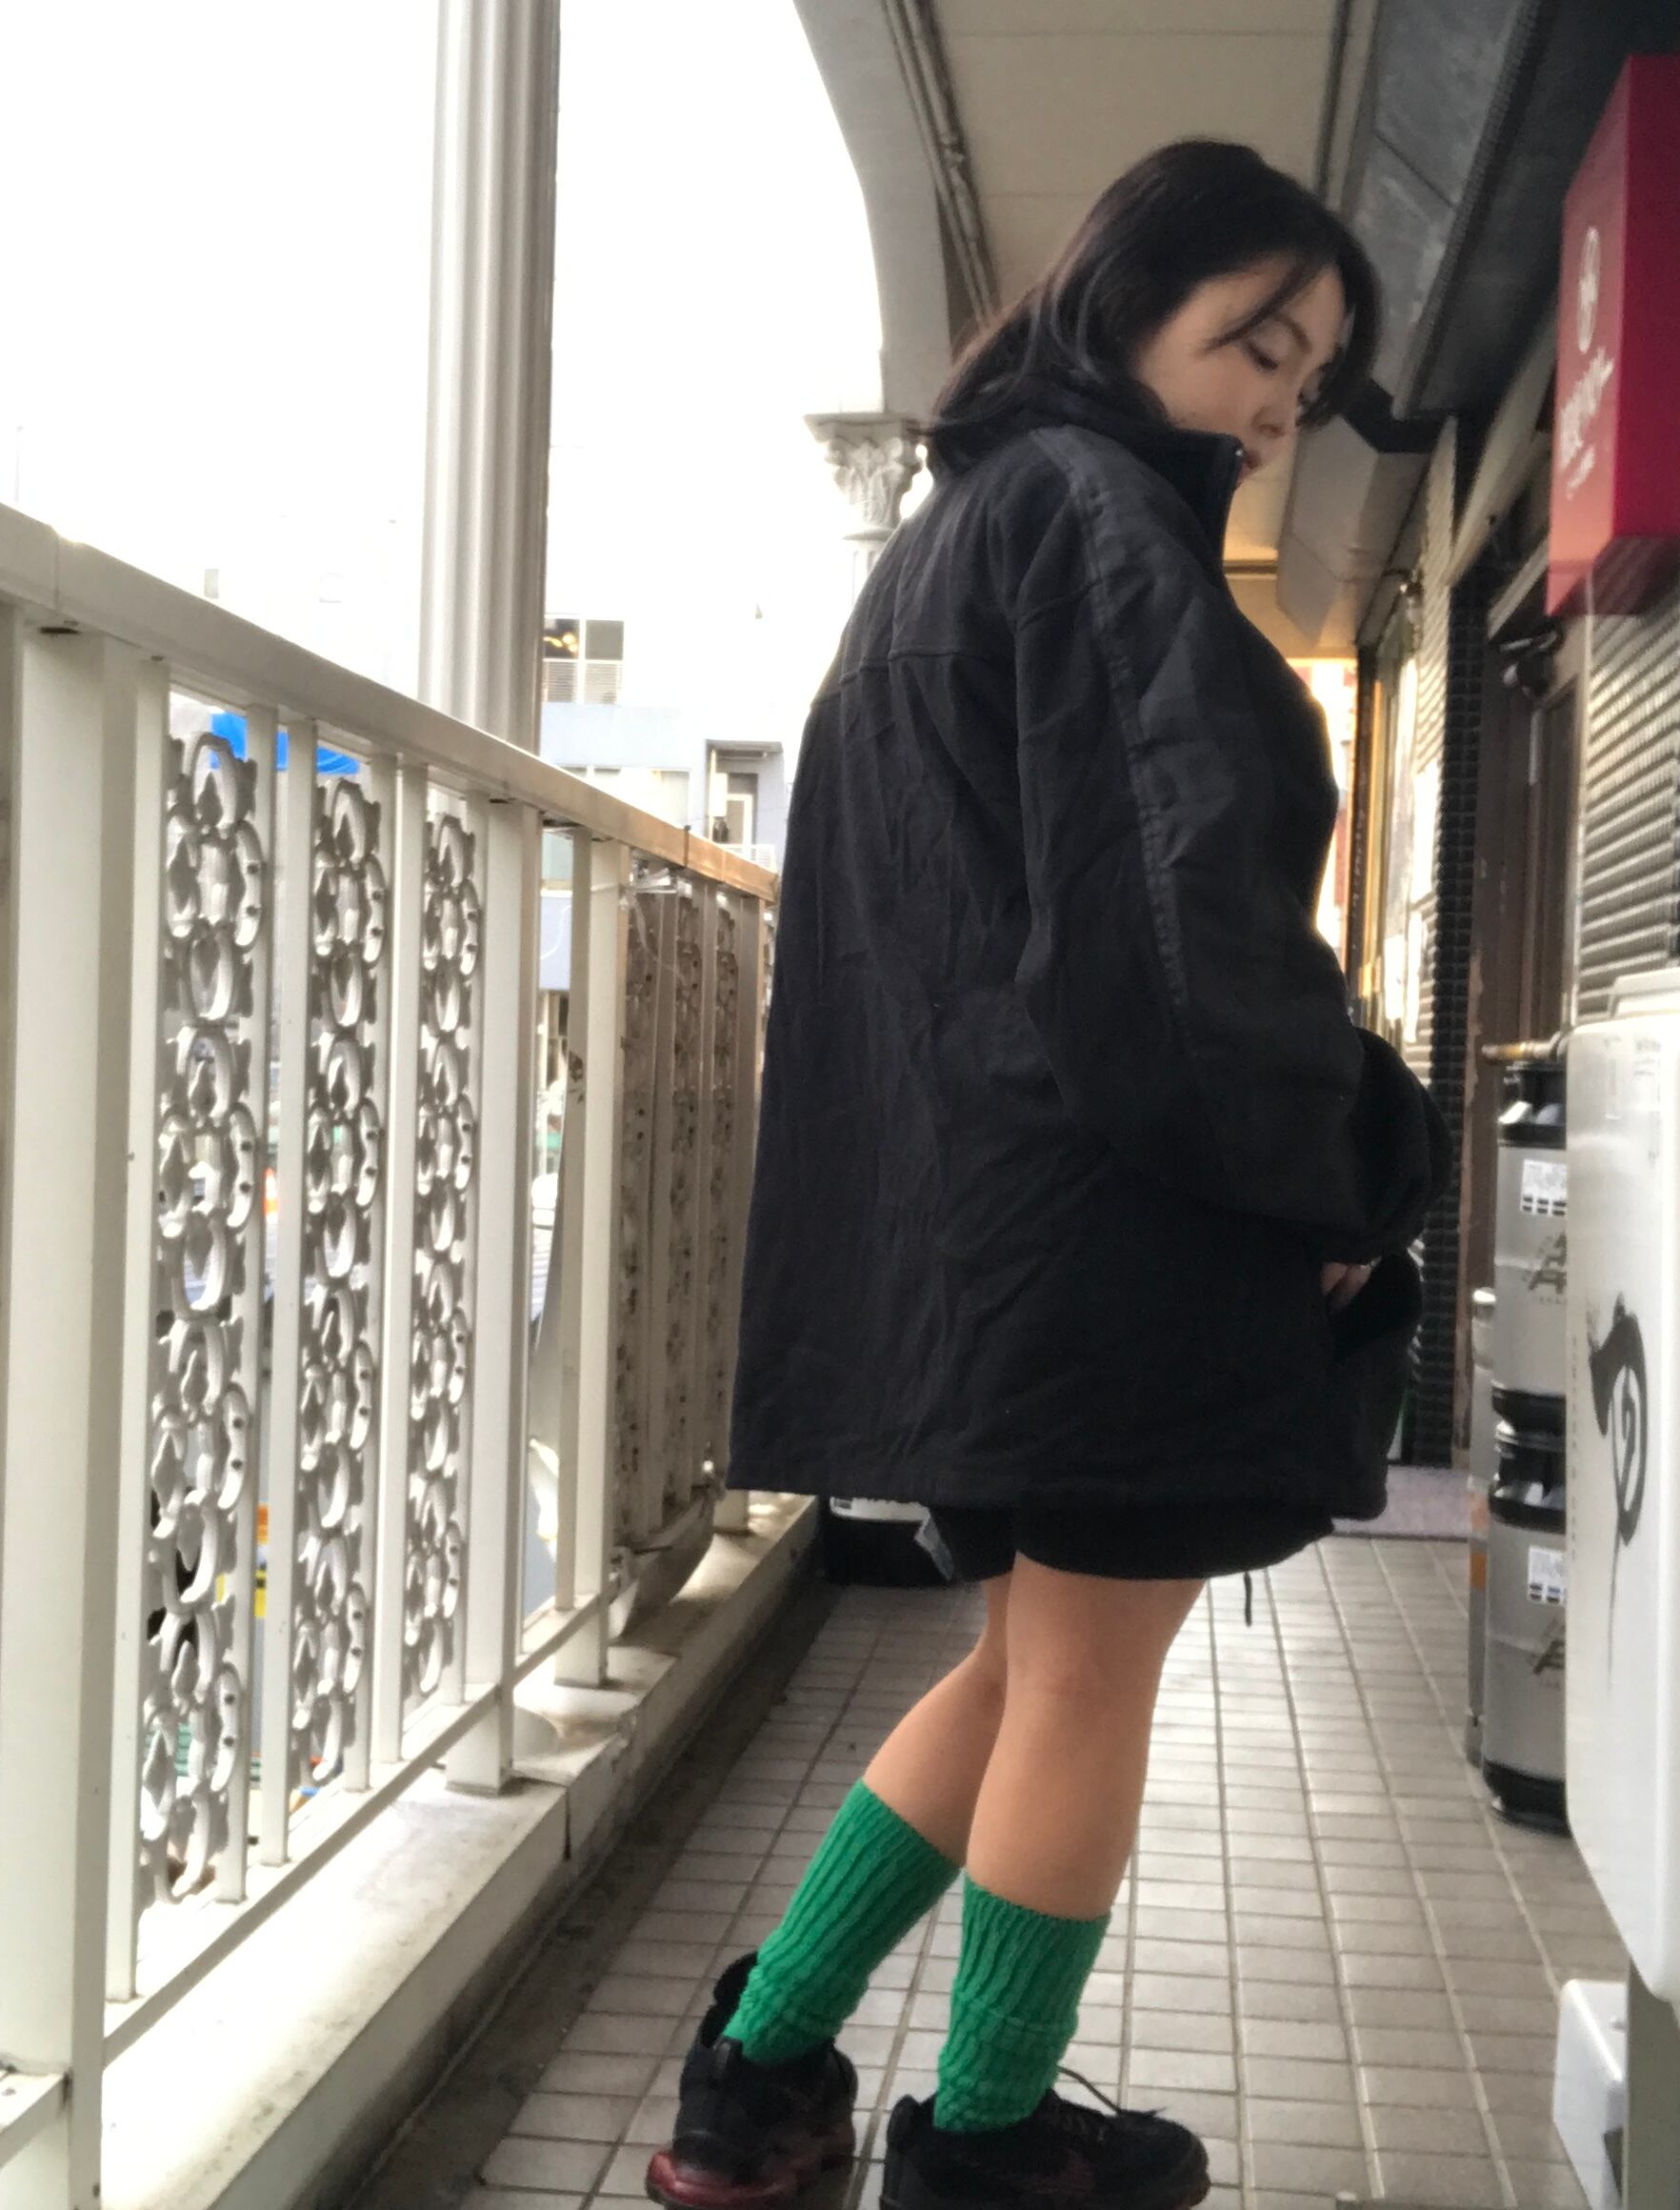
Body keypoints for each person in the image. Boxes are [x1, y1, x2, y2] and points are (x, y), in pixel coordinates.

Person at [646, 138, 1450, 2210]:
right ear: (1121, 305)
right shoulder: (1100, 523)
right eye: (1255, 343)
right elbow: (1181, 941)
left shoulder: (950, 542)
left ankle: (755, 2079)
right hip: (1113, 1228)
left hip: (984, 1241)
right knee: (1084, 1680)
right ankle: (987, 2145)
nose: (1278, 405)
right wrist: (1354, 1166)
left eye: (1310, 375)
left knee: (1019, 1666)